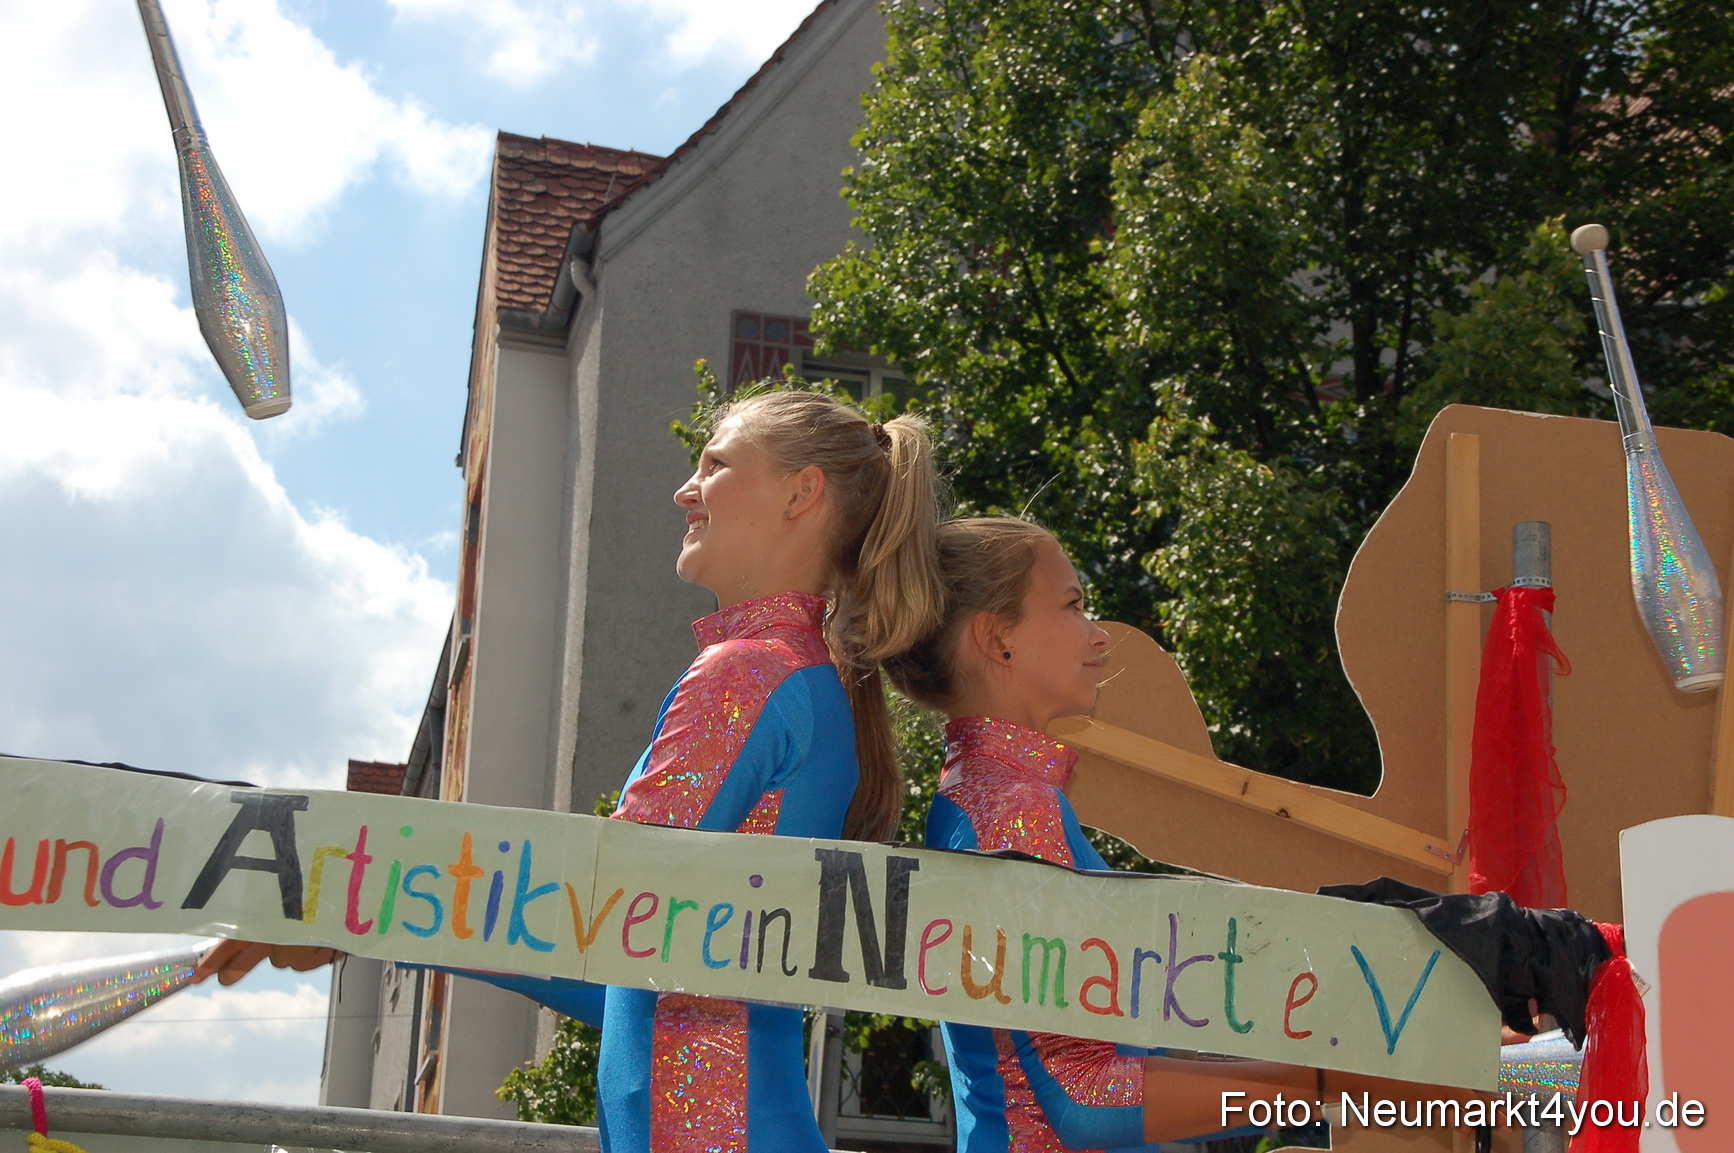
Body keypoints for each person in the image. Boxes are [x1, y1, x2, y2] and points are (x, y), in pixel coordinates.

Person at [199, 388, 945, 1152]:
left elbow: (596, 911)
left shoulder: (748, 672)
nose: (684, 489)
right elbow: (628, 971)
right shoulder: (801, 674)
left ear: (801, 492)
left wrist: (353, 903)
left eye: (715, 464)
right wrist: (358, 914)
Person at [884, 517, 1484, 1151]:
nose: (1098, 637)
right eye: (1072, 605)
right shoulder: (1011, 811)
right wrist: (1332, 1078)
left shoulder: (992, 795)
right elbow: (1081, 1099)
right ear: (997, 637)